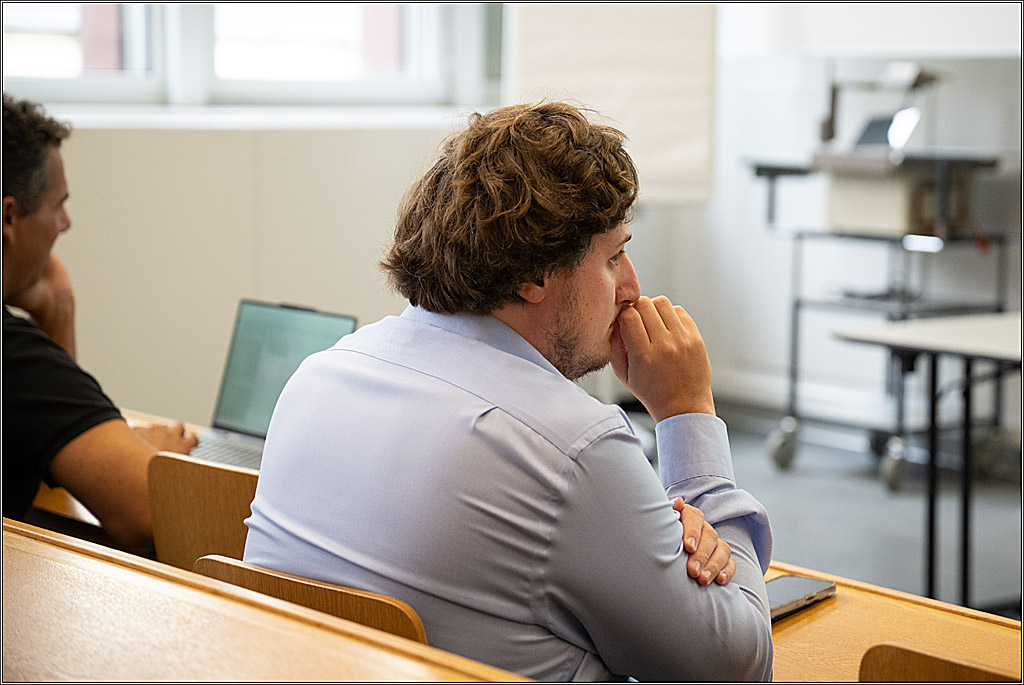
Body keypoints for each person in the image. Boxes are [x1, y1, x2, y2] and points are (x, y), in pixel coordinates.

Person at [243, 101, 773, 681]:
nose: (632, 287)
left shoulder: (316, 378)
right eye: (613, 256)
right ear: (535, 275)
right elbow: (736, 668)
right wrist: (686, 415)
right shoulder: (573, 449)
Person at [2, 93, 198, 550]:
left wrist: (57, 311)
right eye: (57, 206)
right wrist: (154, 458)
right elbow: (148, 512)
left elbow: (42, 441)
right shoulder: (14, 359)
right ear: (9, 216)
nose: (64, 224)